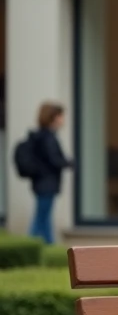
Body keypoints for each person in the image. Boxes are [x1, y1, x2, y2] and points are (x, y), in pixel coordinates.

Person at [23, 102, 72, 244]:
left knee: (43, 217)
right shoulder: (48, 138)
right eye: (61, 116)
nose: (63, 120)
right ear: (54, 117)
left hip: (42, 183)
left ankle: (46, 244)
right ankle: (42, 245)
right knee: (41, 218)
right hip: (46, 183)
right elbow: (54, 159)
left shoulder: (42, 136)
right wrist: (68, 162)